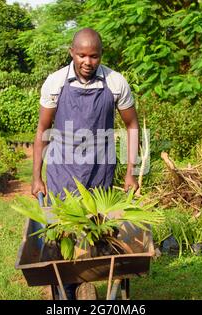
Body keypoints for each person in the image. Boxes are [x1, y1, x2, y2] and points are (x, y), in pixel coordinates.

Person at [31, 28, 139, 299]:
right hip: (62, 171)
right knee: (64, 233)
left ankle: (87, 278)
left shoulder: (116, 83)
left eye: (94, 56)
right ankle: (69, 285)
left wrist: (131, 172)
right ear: (72, 53)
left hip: (99, 172)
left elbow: (131, 125)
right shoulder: (55, 83)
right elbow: (43, 129)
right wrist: (36, 176)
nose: (87, 62)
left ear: (101, 55)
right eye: (81, 55)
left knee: (96, 230)